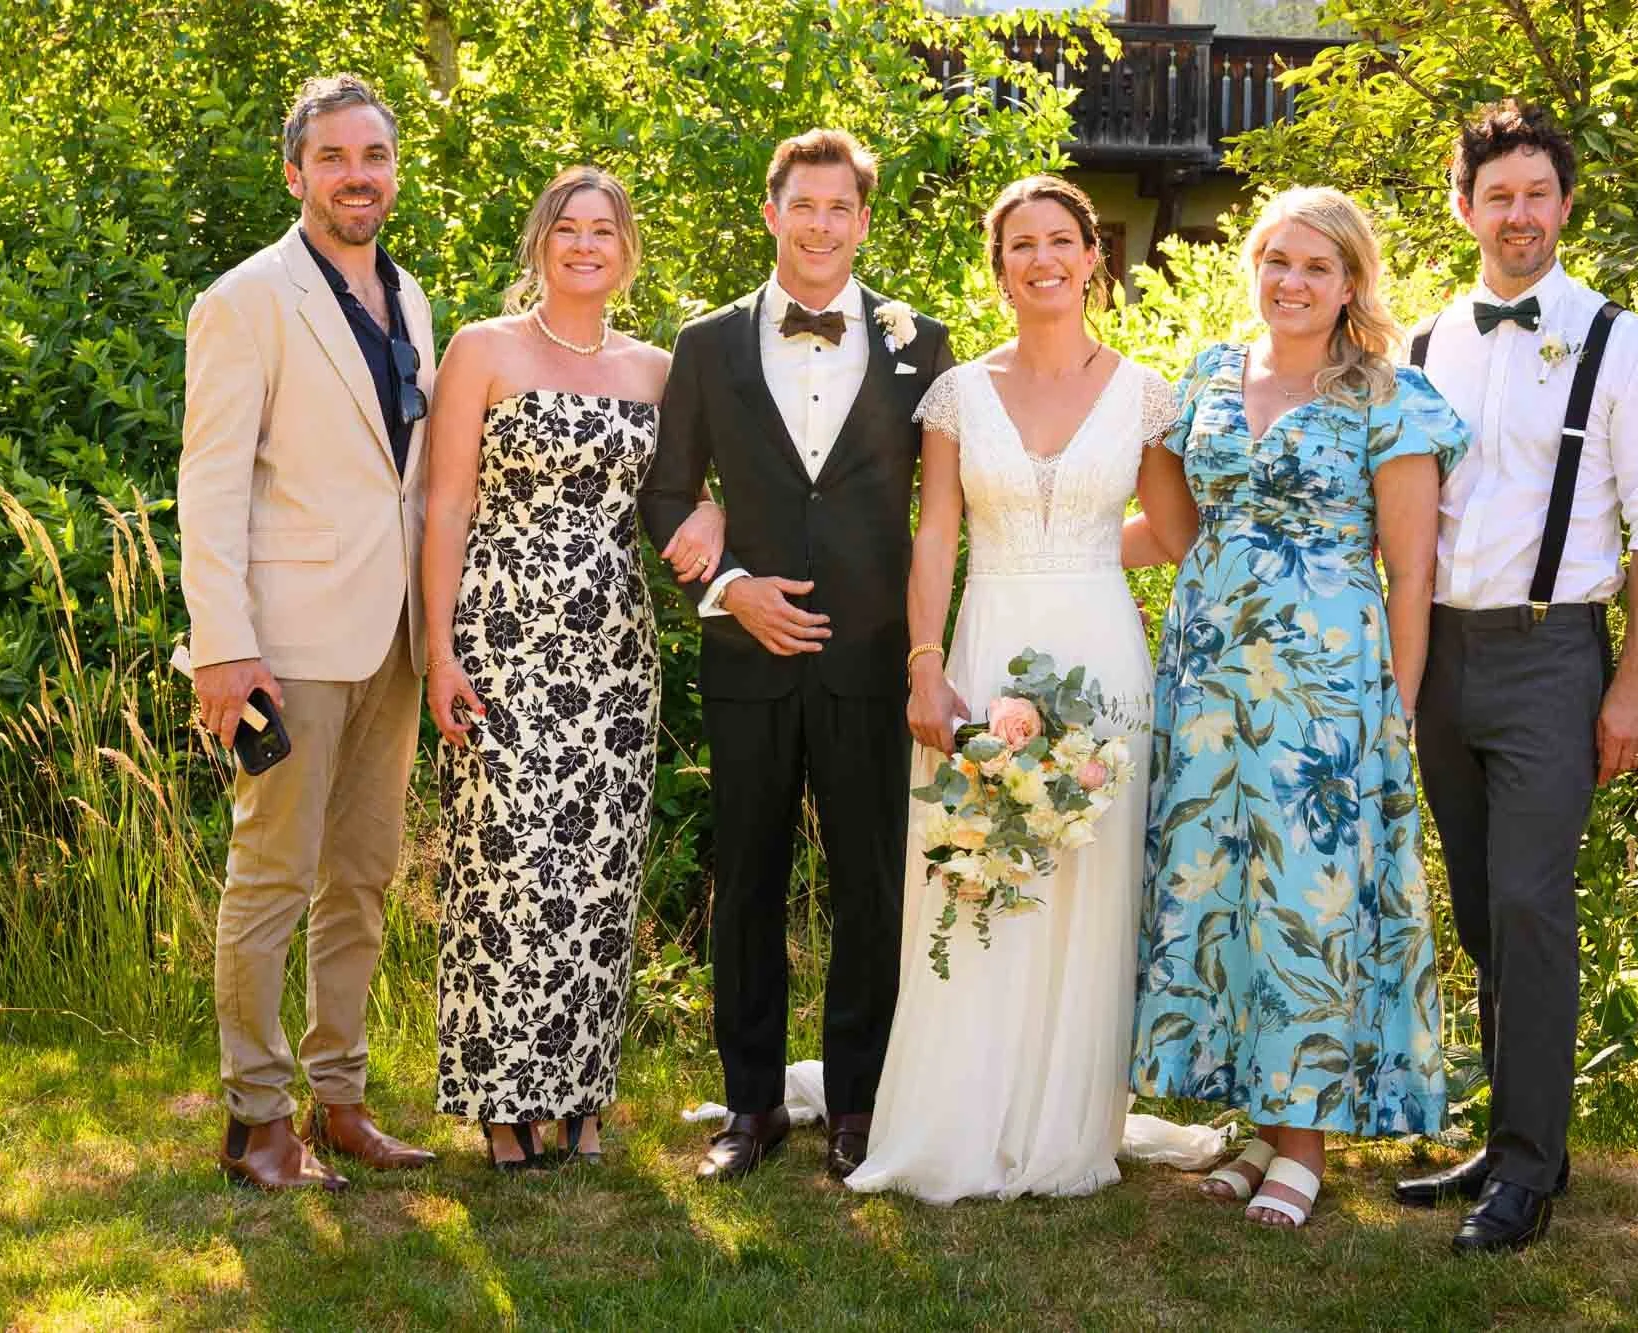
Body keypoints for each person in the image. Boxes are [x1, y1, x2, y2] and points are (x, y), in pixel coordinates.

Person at [844, 175, 1188, 1204]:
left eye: (1059, 241)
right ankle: (957, 1115)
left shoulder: (1144, 393)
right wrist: (924, 663)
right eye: (1018, 246)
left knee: (1083, 878)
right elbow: (936, 534)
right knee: (973, 875)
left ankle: (1064, 1123)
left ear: (1093, 256)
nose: (1040, 259)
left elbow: (1170, 535)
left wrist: (1073, 553)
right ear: (998, 272)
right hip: (983, 645)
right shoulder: (956, 393)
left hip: (1102, 657)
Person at [1127, 187, 1463, 1229]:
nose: (1290, 281)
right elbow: (1176, 527)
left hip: (1329, 688)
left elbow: (1409, 570)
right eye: (1275, 259)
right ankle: (1255, 1121)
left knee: (1304, 894)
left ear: (1351, 282)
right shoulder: (1206, 377)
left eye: (1315, 266)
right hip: (1209, 674)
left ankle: (1305, 1138)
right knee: (1220, 883)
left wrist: (1393, 708)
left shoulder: (1389, 397)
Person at [1395, 101, 1638, 1253]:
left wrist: (1633, 683)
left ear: (1563, 205)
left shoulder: (1626, 345)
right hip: (1438, 656)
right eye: (1495, 195)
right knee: (1478, 907)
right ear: (1462, 208)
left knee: (1528, 903)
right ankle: (1514, 1134)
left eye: (1535, 193)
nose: (1515, 214)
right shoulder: (1423, 345)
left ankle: (1525, 1172)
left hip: (1552, 653)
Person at [639, 129, 957, 1183]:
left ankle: (860, 1106)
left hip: (870, 659)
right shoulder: (706, 344)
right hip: (748, 659)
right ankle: (751, 1106)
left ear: (863, 222)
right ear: (769, 211)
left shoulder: (923, 344)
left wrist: (925, 648)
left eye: (840, 208)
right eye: (802, 205)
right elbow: (667, 495)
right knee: (748, 889)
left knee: (872, 887)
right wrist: (731, 590)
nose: (821, 225)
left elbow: (944, 509)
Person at [420, 168, 725, 1169]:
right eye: (567, 228)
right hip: (501, 630)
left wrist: (712, 511)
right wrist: (438, 651)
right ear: (539, 241)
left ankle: (583, 1094)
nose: (584, 245)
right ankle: (501, 1098)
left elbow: (679, 492)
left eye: (604, 230)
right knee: (502, 861)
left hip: (612, 645)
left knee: (597, 866)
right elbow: (447, 506)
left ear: (626, 250)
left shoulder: (656, 368)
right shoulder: (481, 349)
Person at [179, 73, 437, 1190]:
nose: (356, 177)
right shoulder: (243, 299)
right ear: (295, 174)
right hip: (283, 643)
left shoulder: (411, 298)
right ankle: (255, 1120)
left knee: (364, 876)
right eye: (332, 158)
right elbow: (211, 482)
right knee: (272, 876)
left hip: (393, 641)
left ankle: (339, 1100)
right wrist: (225, 643)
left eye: (372, 156)